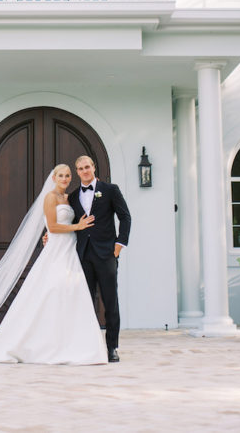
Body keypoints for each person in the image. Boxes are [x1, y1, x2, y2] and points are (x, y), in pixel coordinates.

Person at [0, 164, 108, 365]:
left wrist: (74, 229)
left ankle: (73, 345)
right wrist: (75, 226)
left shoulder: (68, 199)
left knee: (72, 292)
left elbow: (60, 226)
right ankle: (42, 344)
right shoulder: (50, 197)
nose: (64, 178)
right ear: (54, 178)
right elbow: (52, 226)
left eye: (67, 175)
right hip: (56, 251)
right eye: (60, 175)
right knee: (52, 290)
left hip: (70, 249)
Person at [68, 155, 131, 363]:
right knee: (86, 302)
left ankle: (112, 347)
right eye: (80, 168)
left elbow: (125, 217)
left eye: (87, 167)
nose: (85, 171)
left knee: (110, 301)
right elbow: (70, 225)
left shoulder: (111, 190)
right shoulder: (73, 196)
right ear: (77, 172)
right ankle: (89, 346)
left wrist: (119, 246)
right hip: (84, 255)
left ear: (93, 168)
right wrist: (50, 234)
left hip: (107, 255)